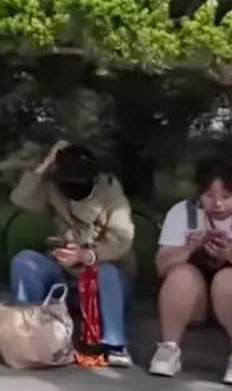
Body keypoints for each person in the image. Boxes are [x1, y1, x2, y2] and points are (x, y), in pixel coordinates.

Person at [9, 142, 138, 366]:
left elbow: (121, 240)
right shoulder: (55, 189)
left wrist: (86, 256)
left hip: (105, 278)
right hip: (65, 273)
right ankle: (27, 331)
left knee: (107, 272)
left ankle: (115, 345)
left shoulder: (112, 196)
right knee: (25, 261)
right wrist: (48, 162)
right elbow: (20, 198)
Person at [149, 157, 232, 386]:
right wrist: (191, 247)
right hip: (195, 302)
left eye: (226, 196)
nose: (218, 204)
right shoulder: (183, 212)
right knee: (180, 274)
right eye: (210, 196)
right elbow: (162, 266)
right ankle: (168, 349)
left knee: (228, 278)